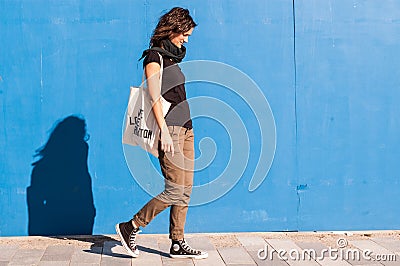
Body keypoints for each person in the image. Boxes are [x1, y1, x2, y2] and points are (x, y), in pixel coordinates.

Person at [116, 7, 208, 259]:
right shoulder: (154, 57)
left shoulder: (173, 59)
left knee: (185, 189)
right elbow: (154, 96)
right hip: (171, 130)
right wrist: (164, 132)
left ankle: (177, 242)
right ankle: (131, 226)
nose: (186, 40)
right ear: (173, 28)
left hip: (187, 128)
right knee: (175, 190)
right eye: (184, 34)